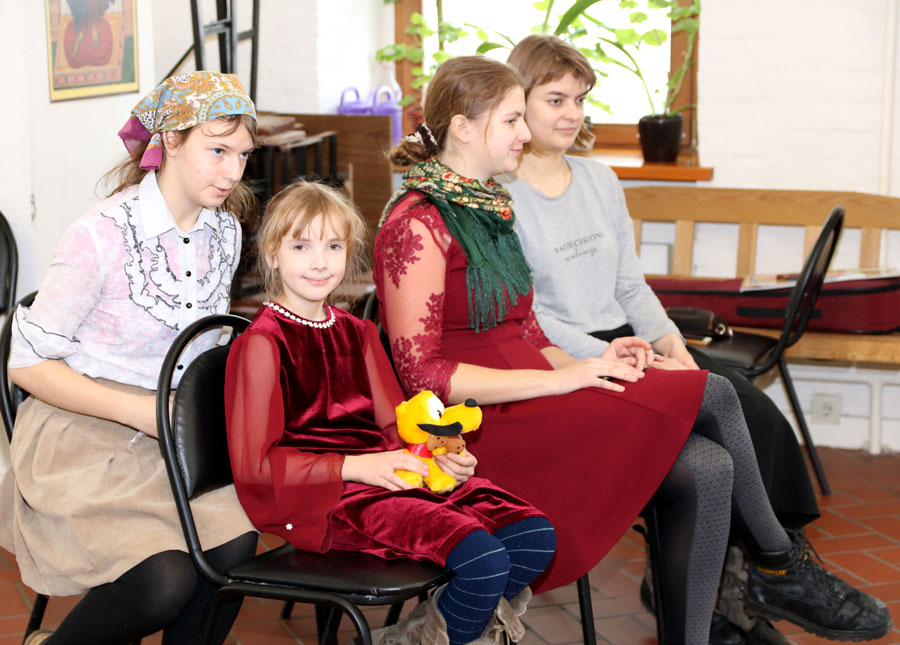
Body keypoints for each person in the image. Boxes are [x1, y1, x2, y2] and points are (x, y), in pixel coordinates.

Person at [373, 55, 892, 645]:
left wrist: (594, 364)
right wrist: (563, 380)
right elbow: (423, 374)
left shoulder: (490, 206)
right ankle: (778, 566)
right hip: (478, 427)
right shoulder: (415, 224)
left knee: (709, 466)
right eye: (513, 120)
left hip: (537, 392)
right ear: (463, 128)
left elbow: (530, 334)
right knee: (717, 392)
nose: (525, 133)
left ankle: (724, 612)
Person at [501, 33, 824, 641]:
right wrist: (620, 358)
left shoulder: (599, 179)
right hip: (569, 355)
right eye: (555, 99)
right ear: (517, 102)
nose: (572, 114)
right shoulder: (501, 195)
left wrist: (670, 343)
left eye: (580, 100)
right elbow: (531, 317)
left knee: (755, 412)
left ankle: (743, 588)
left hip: (633, 339)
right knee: (708, 442)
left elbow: (630, 284)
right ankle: (763, 577)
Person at [224, 180, 557, 645]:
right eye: (301, 246)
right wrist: (357, 467)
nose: (319, 262)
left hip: (387, 474)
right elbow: (254, 466)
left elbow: (396, 426)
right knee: (481, 557)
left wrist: (441, 456)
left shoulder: (357, 331)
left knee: (534, 536)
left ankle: (418, 635)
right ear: (272, 254)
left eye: (333, 246)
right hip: (327, 496)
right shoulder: (262, 343)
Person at [0, 72, 259, 645]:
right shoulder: (99, 236)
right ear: (170, 140)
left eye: (243, 155)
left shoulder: (226, 232)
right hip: (83, 430)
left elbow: (201, 349)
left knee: (234, 552)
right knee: (162, 581)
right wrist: (141, 412)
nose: (232, 172)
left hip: (172, 430)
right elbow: (25, 365)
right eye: (217, 151)